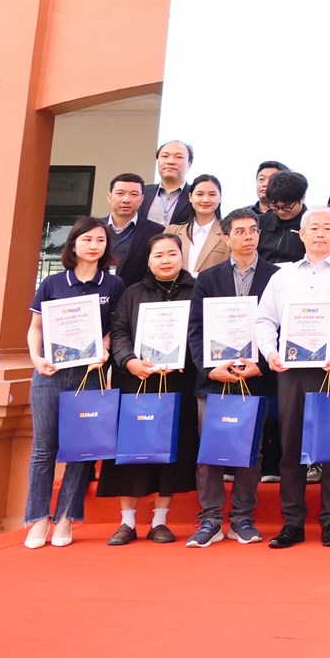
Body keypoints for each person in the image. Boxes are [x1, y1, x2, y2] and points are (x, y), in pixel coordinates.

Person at [254, 206, 330, 547]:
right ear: (301, 234)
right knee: (291, 447)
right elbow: (264, 320)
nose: (320, 233)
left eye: (327, 227)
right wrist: (270, 352)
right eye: (313, 227)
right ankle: (292, 523)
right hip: (292, 370)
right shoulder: (282, 275)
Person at [23, 218, 122, 548]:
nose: (94, 246)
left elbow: (115, 328)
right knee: (44, 450)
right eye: (87, 239)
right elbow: (36, 327)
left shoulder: (113, 285)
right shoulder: (53, 283)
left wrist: (104, 347)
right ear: (74, 244)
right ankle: (38, 520)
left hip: (89, 375)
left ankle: (65, 517)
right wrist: (35, 358)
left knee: (81, 450)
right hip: (49, 373)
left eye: (100, 240)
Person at [103, 233, 201, 544]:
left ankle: (160, 520)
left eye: (172, 253)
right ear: (148, 260)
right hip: (137, 380)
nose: (166, 260)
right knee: (131, 451)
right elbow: (119, 332)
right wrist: (129, 361)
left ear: (182, 257)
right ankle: (127, 522)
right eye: (158, 255)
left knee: (170, 452)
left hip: (178, 381)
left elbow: (201, 332)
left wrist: (185, 358)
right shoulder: (132, 293)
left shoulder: (197, 291)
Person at [188, 209, 277, 548]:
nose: (248, 236)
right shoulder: (208, 278)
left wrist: (262, 365)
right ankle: (210, 519)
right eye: (239, 231)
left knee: (250, 451)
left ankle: (242, 518)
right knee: (210, 450)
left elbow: (282, 327)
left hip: (255, 377)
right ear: (226, 238)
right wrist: (209, 368)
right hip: (214, 379)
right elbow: (196, 330)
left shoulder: (276, 277)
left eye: (253, 230)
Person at [169, 173, 230, 275]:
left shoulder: (230, 233)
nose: (205, 200)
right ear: (190, 197)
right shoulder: (172, 231)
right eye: (200, 194)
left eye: (212, 194)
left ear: (220, 198)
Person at [103, 171, 152, 283]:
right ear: (109, 197)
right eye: (120, 193)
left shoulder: (155, 232)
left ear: (142, 199)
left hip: (134, 292)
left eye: (134, 194)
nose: (126, 200)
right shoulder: (93, 228)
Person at [256, 170, 308, 266]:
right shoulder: (260, 222)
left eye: (286, 207)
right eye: (275, 206)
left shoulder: (311, 225)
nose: (280, 211)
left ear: (302, 199)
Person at [139, 140, 196, 228]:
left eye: (179, 157)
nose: (170, 161)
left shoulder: (196, 196)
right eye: (165, 156)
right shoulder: (142, 192)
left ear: (189, 164)